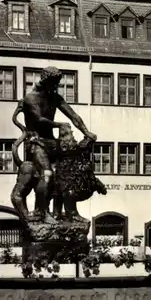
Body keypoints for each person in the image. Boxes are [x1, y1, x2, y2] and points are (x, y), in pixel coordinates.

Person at [12, 66, 97, 222]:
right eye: (54, 82)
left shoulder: (55, 97)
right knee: (47, 174)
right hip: (36, 143)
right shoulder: (31, 98)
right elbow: (38, 120)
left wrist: (86, 132)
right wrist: (59, 125)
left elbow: (73, 116)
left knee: (64, 176)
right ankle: (41, 212)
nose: (56, 86)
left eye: (57, 83)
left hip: (52, 143)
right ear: (45, 81)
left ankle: (68, 213)